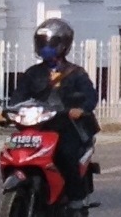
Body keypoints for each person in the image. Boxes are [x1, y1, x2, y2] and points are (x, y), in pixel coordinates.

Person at [8, 16, 100, 201]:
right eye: (42, 42)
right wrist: (7, 111)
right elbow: (18, 96)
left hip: (66, 126)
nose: (46, 47)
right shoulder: (32, 73)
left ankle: (75, 199)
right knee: (14, 149)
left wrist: (81, 109)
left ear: (63, 45)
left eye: (50, 42)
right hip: (38, 125)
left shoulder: (76, 73)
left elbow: (90, 96)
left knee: (65, 155)